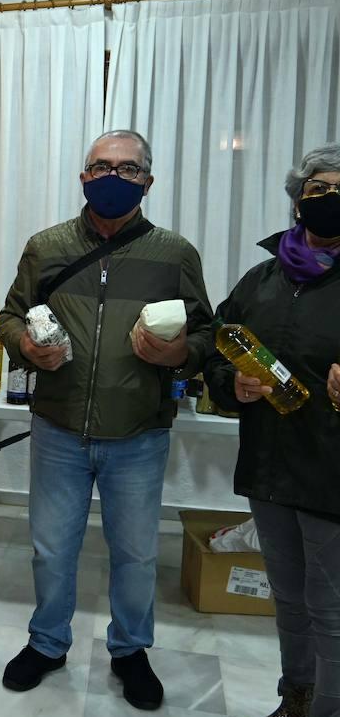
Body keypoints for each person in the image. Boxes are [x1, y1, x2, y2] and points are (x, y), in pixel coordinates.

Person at [0, 130, 214, 710]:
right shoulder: (46, 246)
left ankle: (130, 650)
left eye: (128, 168)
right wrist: (26, 347)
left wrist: (180, 353)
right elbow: (10, 317)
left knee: (136, 554)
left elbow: (206, 333)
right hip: (59, 426)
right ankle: (47, 643)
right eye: (101, 166)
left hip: (139, 431)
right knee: (50, 549)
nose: (113, 177)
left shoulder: (174, 254)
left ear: (148, 180)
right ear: (84, 176)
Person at [203, 144, 340, 717]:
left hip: (331, 471)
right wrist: (231, 384)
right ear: (297, 200)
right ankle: (296, 698)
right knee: (287, 598)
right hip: (267, 464)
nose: (329, 198)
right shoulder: (260, 279)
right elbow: (216, 346)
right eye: (318, 189)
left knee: (330, 607)